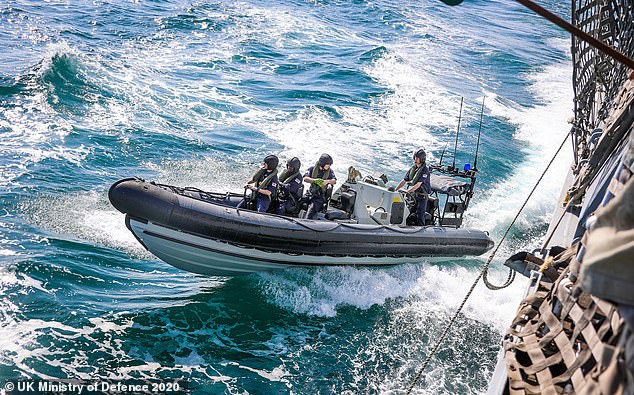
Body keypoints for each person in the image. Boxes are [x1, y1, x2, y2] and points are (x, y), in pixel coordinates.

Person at [395, 148, 431, 225]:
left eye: (417, 158)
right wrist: (395, 190)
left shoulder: (425, 170)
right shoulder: (413, 168)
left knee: (420, 214)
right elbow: (404, 180)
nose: (416, 159)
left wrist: (407, 192)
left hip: (422, 197)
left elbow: (418, 184)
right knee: (408, 213)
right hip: (414, 195)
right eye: (415, 157)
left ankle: (421, 230)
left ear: (422, 159)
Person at [303, 153, 337, 219]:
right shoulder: (312, 169)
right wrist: (314, 180)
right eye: (328, 165)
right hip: (310, 193)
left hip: (319, 197)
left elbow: (334, 181)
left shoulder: (330, 172)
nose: (329, 166)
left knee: (311, 210)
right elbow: (305, 178)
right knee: (299, 201)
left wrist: (327, 181)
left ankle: (306, 222)